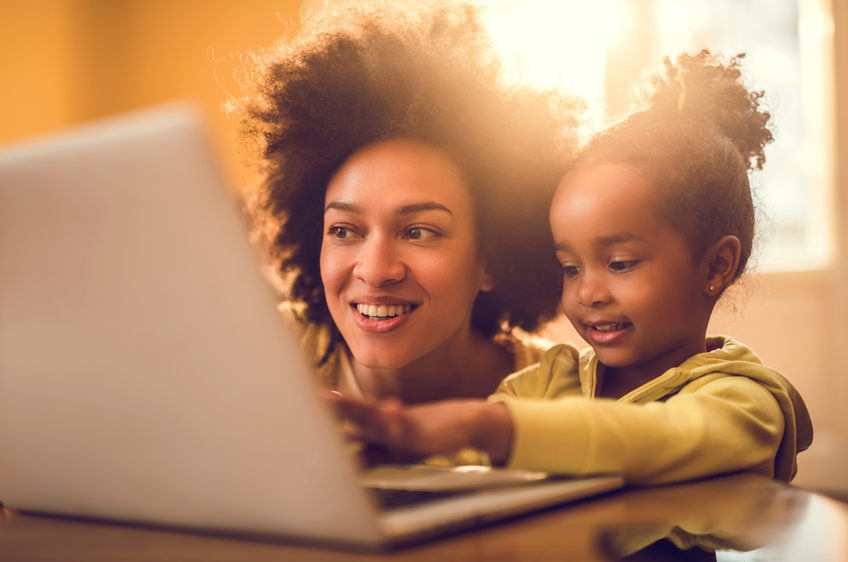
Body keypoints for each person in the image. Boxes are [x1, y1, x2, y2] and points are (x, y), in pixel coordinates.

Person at [329, 50, 814, 485]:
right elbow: (455, 472)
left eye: (620, 263)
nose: (588, 293)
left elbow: (659, 438)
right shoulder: (547, 383)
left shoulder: (747, 402)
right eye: (570, 267)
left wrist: (481, 423)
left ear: (716, 265)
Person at [227, 1, 580, 427]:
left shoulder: (566, 392)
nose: (375, 272)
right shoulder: (261, 351)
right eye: (343, 229)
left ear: (491, 257)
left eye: (418, 231)